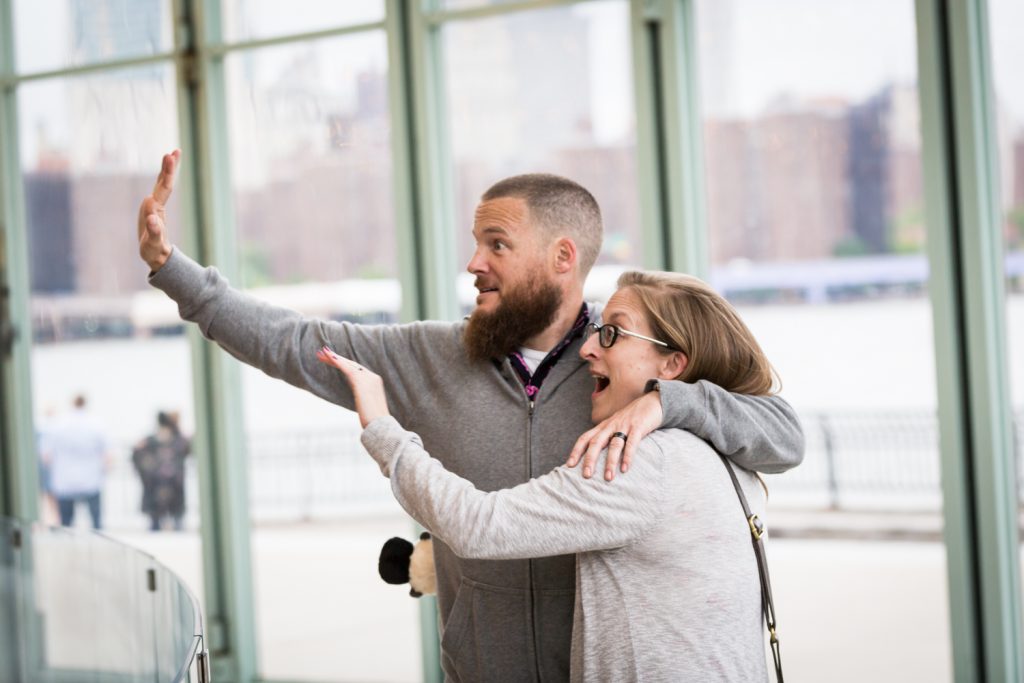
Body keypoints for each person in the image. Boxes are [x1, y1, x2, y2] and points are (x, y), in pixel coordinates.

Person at [138, 150, 804, 680]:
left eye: (496, 244)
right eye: (475, 243)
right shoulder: (428, 354)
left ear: (562, 258)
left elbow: (780, 432)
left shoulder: (624, 372)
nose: (473, 263)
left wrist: (668, 401)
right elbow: (290, 342)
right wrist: (175, 272)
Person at [318, 270, 774, 681]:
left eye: (612, 334)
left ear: (672, 365)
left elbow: (478, 527)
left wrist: (381, 426)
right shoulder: (734, 449)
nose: (588, 347)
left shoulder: (637, 463)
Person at [38, 395, 110, 529]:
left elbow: (46, 455)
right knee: (96, 521)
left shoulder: (58, 424)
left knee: (66, 523)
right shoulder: (96, 424)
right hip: (91, 478)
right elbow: (107, 454)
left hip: (64, 479)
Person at [132, 411, 191, 531]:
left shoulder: (150, 440)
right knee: (176, 519)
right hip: (172, 484)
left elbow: (137, 455)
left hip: (157, 483)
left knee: (156, 521)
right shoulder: (178, 440)